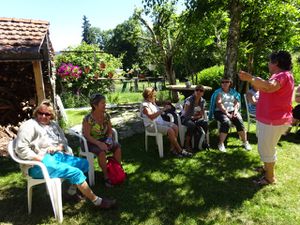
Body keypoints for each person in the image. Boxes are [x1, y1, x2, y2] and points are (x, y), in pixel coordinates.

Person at [15, 99, 116, 209]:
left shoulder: (54, 125)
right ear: (36, 112)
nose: (43, 116)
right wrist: (39, 158)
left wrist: (58, 147)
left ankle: (71, 192)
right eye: (40, 113)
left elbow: (64, 142)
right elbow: (20, 148)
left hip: (57, 156)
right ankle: (97, 201)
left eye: (47, 114)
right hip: (37, 164)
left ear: (51, 115)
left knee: (84, 164)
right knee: (75, 173)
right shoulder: (29, 126)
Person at [239, 50, 294, 185]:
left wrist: (250, 78)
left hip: (272, 121)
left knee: (266, 149)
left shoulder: (281, 75)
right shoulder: (284, 75)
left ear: (276, 63)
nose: (268, 64)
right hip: (270, 119)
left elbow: (270, 87)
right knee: (267, 146)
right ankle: (266, 169)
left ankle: (270, 178)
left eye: (270, 61)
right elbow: (269, 90)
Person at [82, 93, 122, 188]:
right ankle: (106, 176)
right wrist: (99, 143)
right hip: (90, 142)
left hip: (103, 139)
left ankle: (117, 169)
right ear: (95, 105)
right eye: (103, 103)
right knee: (101, 152)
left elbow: (110, 130)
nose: (105, 105)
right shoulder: (88, 118)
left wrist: (108, 139)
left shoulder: (106, 116)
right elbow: (87, 135)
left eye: (105, 103)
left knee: (117, 146)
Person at [140, 87, 192, 157]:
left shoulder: (151, 103)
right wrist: (163, 109)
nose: (155, 97)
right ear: (149, 96)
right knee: (170, 130)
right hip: (152, 126)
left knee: (175, 127)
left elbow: (157, 111)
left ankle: (172, 149)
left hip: (160, 123)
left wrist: (165, 107)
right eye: (154, 95)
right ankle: (180, 150)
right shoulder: (145, 106)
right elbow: (151, 116)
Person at [209, 77, 252, 152]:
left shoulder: (233, 92)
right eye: (223, 82)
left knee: (239, 120)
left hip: (232, 110)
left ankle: (245, 142)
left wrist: (235, 111)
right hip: (220, 111)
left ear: (230, 83)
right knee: (226, 122)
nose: (225, 83)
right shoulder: (218, 92)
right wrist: (227, 113)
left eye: (227, 82)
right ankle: (221, 143)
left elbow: (236, 103)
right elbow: (219, 104)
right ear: (221, 84)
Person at [181, 84, 209, 151]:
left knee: (205, 123)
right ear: (194, 91)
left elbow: (202, 113)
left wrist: (198, 116)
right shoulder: (189, 100)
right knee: (191, 125)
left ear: (203, 93)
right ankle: (187, 144)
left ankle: (203, 141)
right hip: (186, 118)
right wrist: (193, 117)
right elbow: (185, 113)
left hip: (195, 118)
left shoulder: (202, 101)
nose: (198, 92)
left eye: (201, 90)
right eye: (197, 90)